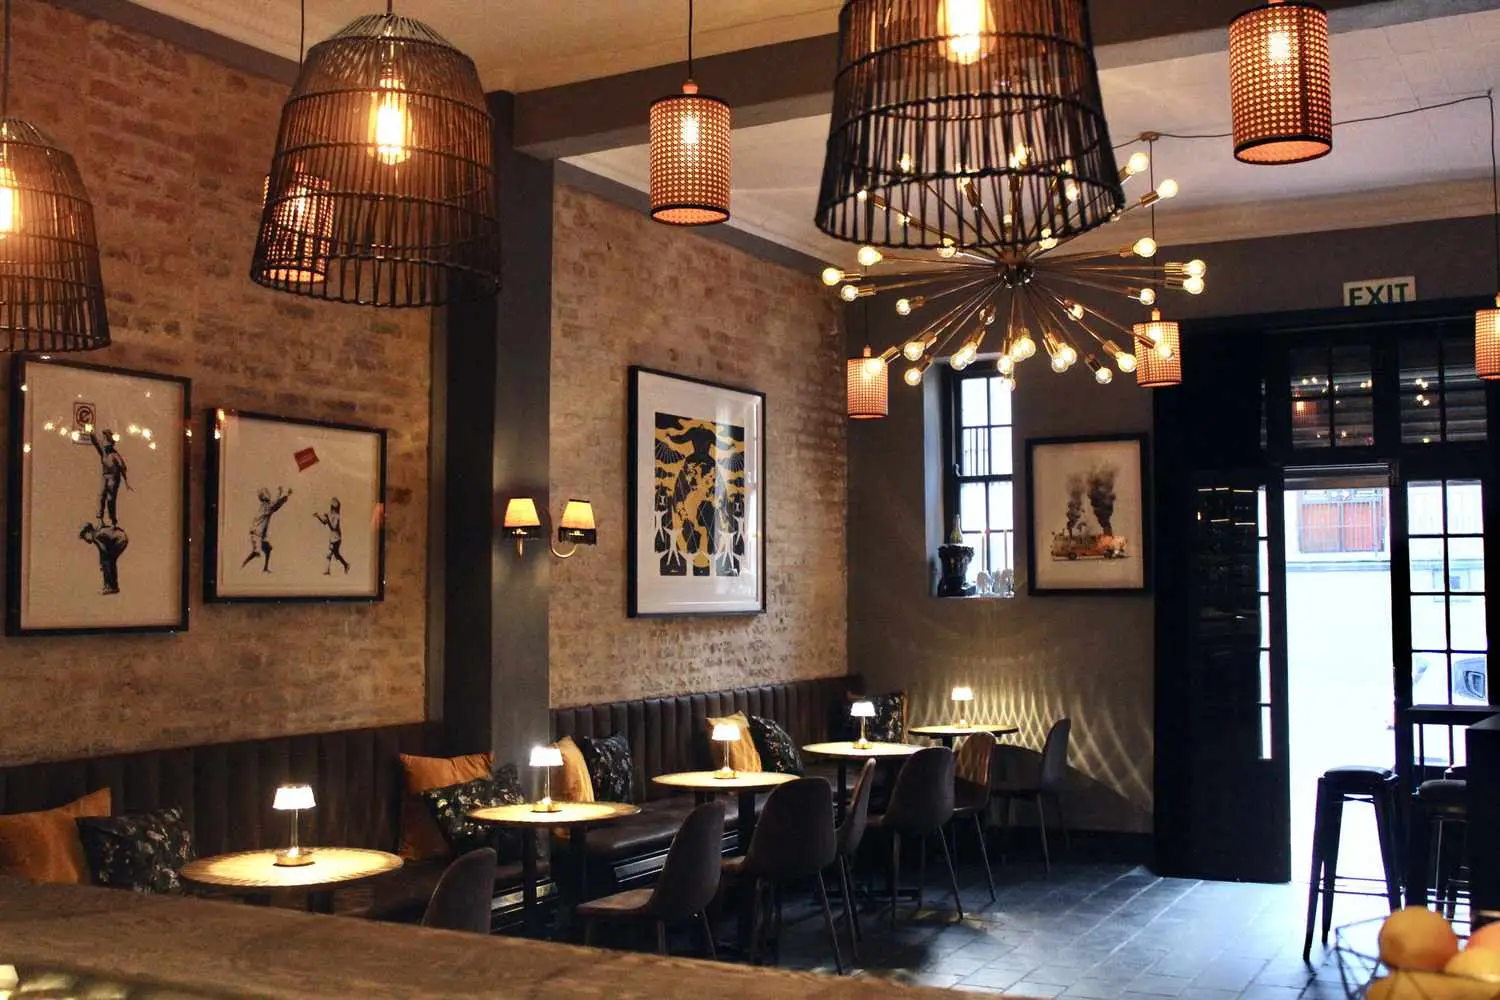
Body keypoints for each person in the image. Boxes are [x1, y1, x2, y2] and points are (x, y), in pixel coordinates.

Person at [241, 487, 292, 572]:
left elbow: (276, 505)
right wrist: (283, 494)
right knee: (256, 553)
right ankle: (242, 566)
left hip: (259, 533)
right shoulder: (265, 506)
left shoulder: (266, 506)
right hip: (257, 533)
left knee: (268, 549)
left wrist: (283, 495)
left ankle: (265, 568)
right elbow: (276, 504)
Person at [89, 428, 129, 528]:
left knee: (111, 499)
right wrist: (90, 432)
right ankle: (100, 519)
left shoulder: (115, 455)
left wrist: (126, 481)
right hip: (105, 476)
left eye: (106, 439)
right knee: (101, 496)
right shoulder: (103, 452)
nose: (104, 442)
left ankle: (112, 521)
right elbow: (96, 443)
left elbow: (123, 467)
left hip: (113, 478)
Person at [80, 522, 129, 595]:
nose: (85, 540)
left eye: (85, 536)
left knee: (107, 562)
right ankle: (112, 586)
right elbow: (103, 550)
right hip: (120, 539)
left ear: (89, 532)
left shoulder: (96, 535)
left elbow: (103, 550)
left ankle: (110, 587)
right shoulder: (97, 533)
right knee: (109, 562)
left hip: (120, 540)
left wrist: (102, 564)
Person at [314, 498, 349, 575]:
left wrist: (328, 519)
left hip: (336, 538)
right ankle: (345, 565)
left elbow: (333, 527)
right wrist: (318, 517)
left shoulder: (336, 516)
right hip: (333, 537)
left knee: (330, 554)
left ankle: (327, 570)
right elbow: (324, 522)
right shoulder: (331, 514)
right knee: (336, 554)